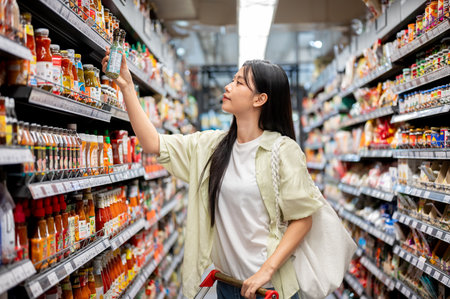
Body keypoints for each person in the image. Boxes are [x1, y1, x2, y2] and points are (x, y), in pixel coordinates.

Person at [102, 49, 324, 299]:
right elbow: (153, 143)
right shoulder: (210, 147)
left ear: (259, 99)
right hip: (226, 284)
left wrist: (266, 270)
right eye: (233, 79)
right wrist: (127, 87)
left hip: (268, 289)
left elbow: (303, 218)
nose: (228, 86)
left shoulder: (283, 151)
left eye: (239, 82)